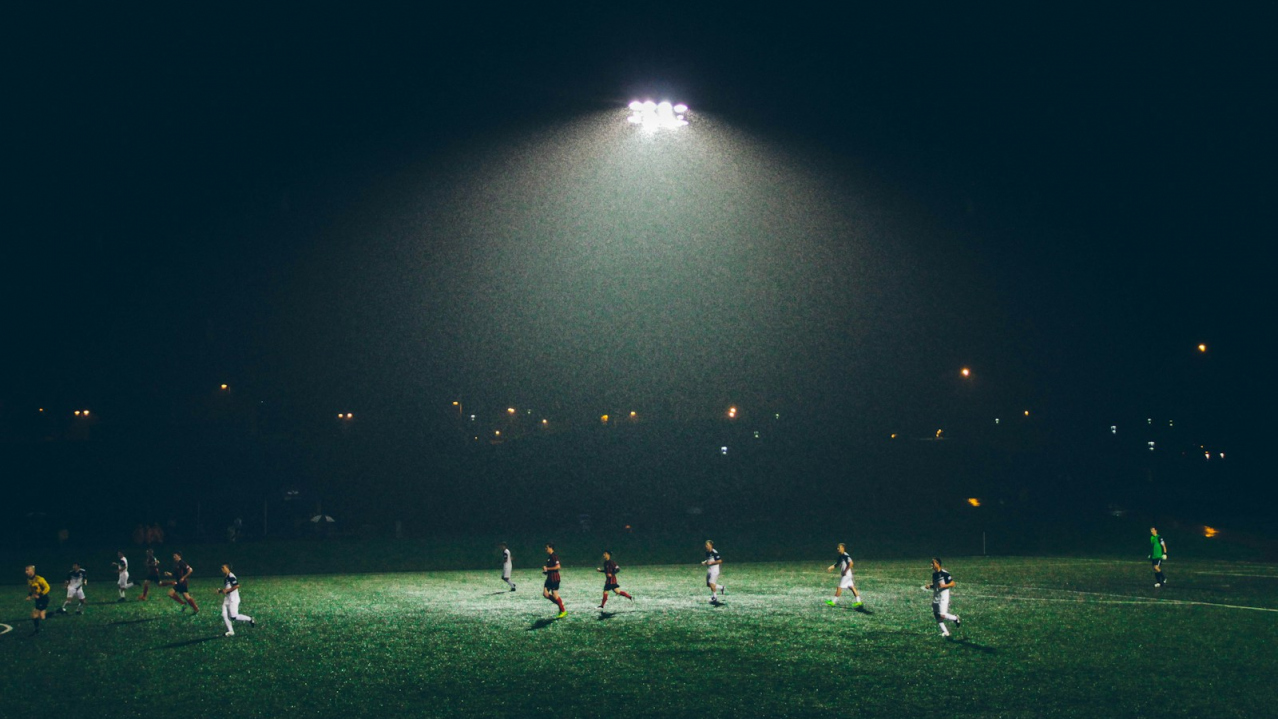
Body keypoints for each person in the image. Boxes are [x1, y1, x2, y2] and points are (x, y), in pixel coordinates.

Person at [923, 557, 961, 637]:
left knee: (942, 615)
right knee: (936, 615)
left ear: (937, 564)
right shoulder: (934, 574)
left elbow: (953, 583)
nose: (931, 565)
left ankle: (955, 618)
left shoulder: (945, 573)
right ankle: (946, 632)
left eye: (933, 563)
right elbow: (936, 585)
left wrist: (944, 585)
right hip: (936, 596)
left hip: (944, 596)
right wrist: (930, 586)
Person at [216, 564, 256, 637]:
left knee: (233, 617)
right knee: (224, 614)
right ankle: (231, 631)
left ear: (227, 568)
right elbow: (227, 589)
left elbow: (236, 585)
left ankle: (250, 619)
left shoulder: (231, 576)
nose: (222, 569)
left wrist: (227, 590)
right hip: (227, 599)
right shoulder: (226, 577)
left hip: (233, 599)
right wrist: (221, 591)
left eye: (223, 567)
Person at [825, 543, 863, 608]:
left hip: (846, 575)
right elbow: (837, 564)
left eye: (839, 547)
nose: (837, 549)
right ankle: (859, 602)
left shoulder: (846, 555)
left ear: (843, 548)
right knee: (852, 587)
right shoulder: (841, 556)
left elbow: (851, 563)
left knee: (839, 587)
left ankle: (833, 602)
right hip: (848, 575)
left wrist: (845, 571)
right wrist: (831, 567)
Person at [542, 543, 566, 618]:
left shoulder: (554, 556)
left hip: (555, 579)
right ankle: (560, 604)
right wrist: (546, 572)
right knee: (545, 594)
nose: (545, 549)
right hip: (549, 578)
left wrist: (547, 569)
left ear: (551, 548)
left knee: (555, 595)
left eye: (547, 547)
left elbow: (558, 567)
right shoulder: (549, 557)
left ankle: (563, 610)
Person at [25, 565, 51, 635]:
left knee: (34, 614)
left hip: (44, 598)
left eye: (28, 570)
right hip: (38, 599)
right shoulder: (29, 580)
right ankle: (58, 611)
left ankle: (36, 630)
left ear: (32, 571)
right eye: (26, 570)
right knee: (42, 617)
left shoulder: (39, 579)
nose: (26, 572)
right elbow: (31, 589)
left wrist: (40, 595)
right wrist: (29, 596)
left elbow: (47, 588)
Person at [701, 540, 726, 604]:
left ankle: (714, 597)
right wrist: (705, 562)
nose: (706, 546)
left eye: (707, 545)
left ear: (711, 545)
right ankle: (721, 587)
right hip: (709, 570)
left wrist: (712, 562)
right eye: (706, 545)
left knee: (711, 583)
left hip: (715, 570)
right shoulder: (707, 552)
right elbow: (708, 560)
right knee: (708, 584)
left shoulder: (714, 552)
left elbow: (720, 561)